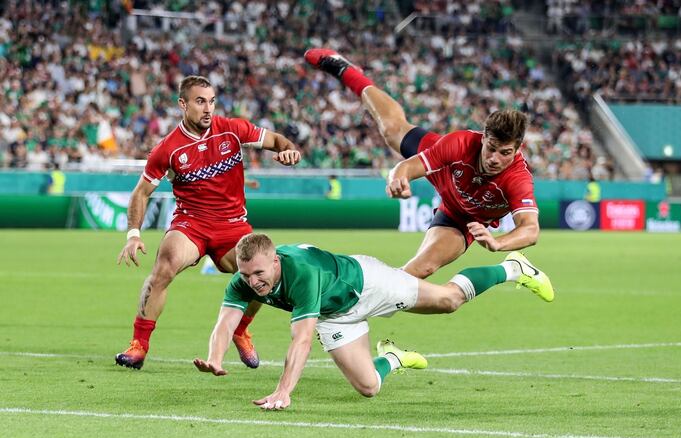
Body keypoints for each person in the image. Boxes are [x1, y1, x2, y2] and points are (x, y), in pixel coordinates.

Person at [193, 233, 554, 410]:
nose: (253, 282)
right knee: (368, 388)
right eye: (246, 275)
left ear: (274, 261)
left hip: (367, 283)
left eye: (258, 273)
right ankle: (394, 358)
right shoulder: (244, 280)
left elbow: (301, 340)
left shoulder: (299, 273)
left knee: (448, 300)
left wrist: (284, 391)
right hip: (336, 314)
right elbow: (226, 321)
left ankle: (511, 267)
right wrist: (215, 359)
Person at [115, 75, 302, 370]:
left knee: (265, 272)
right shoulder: (168, 149)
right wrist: (133, 234)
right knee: (164, 267)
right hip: (192, 225)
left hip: (233, 225)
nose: (208, 108)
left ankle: (241, 330)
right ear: (182, 104)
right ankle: (139, 345)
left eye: (212, 101)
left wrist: (287, 150)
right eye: (200, 101)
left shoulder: (232, 129)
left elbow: (277, 140)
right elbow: (141, 192)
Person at [305, 49, 543, 280]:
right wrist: (398, 180)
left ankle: (354, 310)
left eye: (505, 153)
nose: (494, 159)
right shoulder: (459, 144)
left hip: (462, 218)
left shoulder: (517, 178)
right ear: (483, 137)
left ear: (518, 148)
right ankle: (347, 70)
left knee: (417, 271)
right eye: (491, 148)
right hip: (443, 171)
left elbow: (530, 230)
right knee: (391, 130)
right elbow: (406, 167)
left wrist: (497, 242)